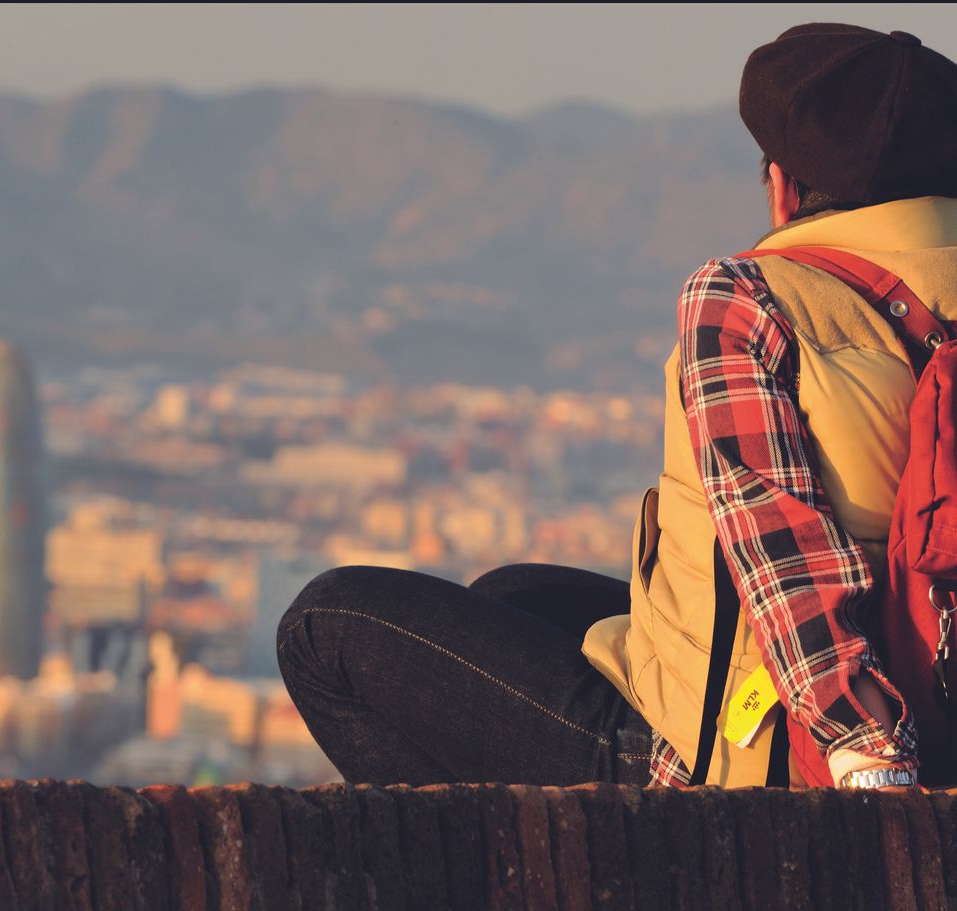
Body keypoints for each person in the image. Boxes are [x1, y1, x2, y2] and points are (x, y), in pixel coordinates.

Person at [278, 23, 957, 790]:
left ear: (783, 187)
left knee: (324, 626)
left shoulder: (751, 299)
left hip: (740, 761)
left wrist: (866, 748)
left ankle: (493, 880)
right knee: (517, 595)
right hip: (931, 691)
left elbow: (783, 543)